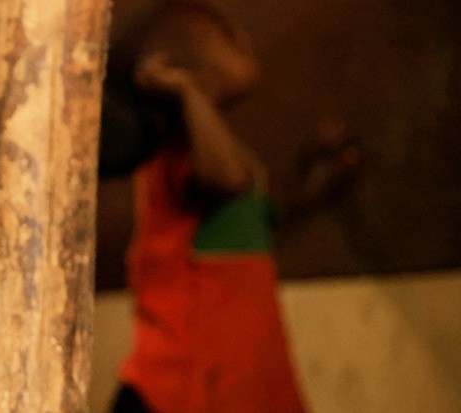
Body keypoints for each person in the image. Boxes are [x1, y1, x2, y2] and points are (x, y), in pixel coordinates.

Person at [107, 2, 317, 412]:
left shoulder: (215, 142)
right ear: (178, 71)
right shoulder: (175, 150)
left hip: (235, 358)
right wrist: (185, 92)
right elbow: (228, 181)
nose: (243, 39)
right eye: (226, 34)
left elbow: (259, 205)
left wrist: (316, 179)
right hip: (193, 368)